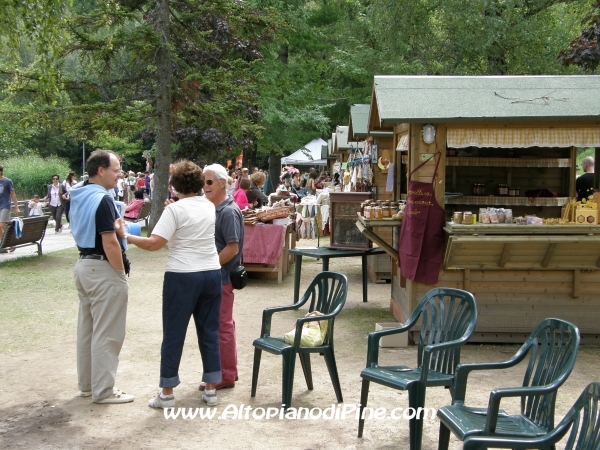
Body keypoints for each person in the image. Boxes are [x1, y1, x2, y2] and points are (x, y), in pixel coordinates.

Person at [119, 161, 222, 409]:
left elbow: (155, 243)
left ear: (175, 186)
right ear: (199, 184)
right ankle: (210, 389)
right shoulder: (209, 206)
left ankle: (167, 392)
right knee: (209, 331)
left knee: (174, 333)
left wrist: (126, 236)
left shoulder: (174, 211)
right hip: (211, 272)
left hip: (183, 274)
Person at [69, 149, 133, 404]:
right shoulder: (103, 199)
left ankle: (87, 385)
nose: (119, 175)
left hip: (84, 265)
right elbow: (109, 242)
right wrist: (119, 273)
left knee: (87, 330)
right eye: (116, 170)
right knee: (108, 332)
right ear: (101, 170)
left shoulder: (79, 194)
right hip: (102, 269)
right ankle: (104, 390)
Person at [198, 163, 244, 392]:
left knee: (222, 327)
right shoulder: (213, 208)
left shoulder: (227, 211)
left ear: (223, 183)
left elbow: (232, 248)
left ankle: (226, 374)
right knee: (217, 326)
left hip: (222, 277)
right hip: (216, 276)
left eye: (209, 182)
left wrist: (210, 265)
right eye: (203, 182)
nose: (204, 186)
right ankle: (224, 372)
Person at [0, 165, 20, 253]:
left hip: (5, 205)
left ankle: (4, 244)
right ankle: (7, 244)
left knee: (1, 225)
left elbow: (13, 194)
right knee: (1, 228)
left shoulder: (7, 181)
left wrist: (16, 207)